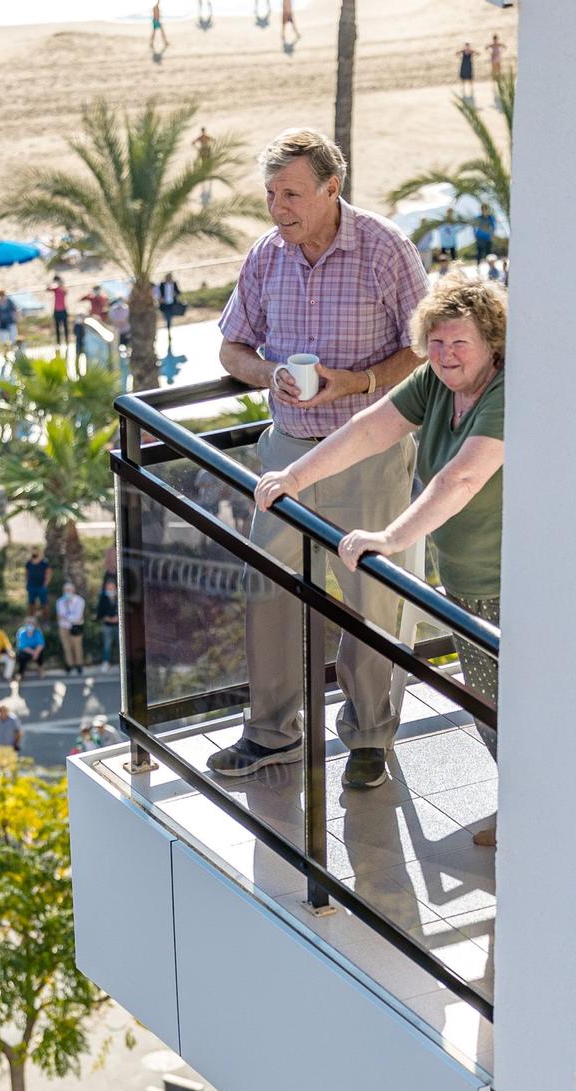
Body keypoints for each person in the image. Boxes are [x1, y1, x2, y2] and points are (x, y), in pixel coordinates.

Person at [214, 127, 428, 787]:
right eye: (272, 193)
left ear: (331, 189)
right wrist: (267, 372)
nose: (278, 207)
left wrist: (356, 382)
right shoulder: (264, 257)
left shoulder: (385, 250)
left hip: (367, 450)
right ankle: (272, 734)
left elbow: (422, 348)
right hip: (285, 454)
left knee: (371, 597)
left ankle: (368, 740)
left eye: (292, 194)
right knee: (268, 590)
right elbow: (231, 349)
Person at [257, 270, 505, 834]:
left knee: (515, 709)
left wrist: (391, 538)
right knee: (488, 706)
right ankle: (522, 806)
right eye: (436, 343)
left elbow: (461, 480)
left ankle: (540, 816)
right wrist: (293, 476)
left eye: (460, 342)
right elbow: (372, 427)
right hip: (467, 579)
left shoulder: (503, 395)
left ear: (491, 342)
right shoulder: (438, 384)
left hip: (509, 581)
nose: (446, 355)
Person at [56, 580, 85, 670]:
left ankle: (79, 665)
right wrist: (71, 617)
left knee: (77, 646)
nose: (67, 592)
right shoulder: (60, 601)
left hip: (76, 627)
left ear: (73, 590)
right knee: (66, 647)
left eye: (69, 590)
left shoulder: (80, 601)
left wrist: (66, 617)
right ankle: (70, 665)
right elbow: (60, 615)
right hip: (63, 627)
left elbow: (77, 617)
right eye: (65, 590)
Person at [0, 701, 21, 772]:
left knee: (12, 767)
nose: (2, 712)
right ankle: (4, 780)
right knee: (2, 765)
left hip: (10, 746)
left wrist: (16, 744)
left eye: (3, 710)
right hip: (0, 745)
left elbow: (19, 732)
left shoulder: (13, 720)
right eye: (0, 711)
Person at [96, 574, 119, 666]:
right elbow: (100, 612)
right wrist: (107, 618)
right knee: (107, 644)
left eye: (112, 587)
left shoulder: (119, 597)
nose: (110, 589)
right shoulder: (103, 598)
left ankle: (121, 662)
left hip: (118, 625)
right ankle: (106, 662)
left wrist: (117, 618)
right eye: (108, 587)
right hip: (108, 625)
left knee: (120, 644)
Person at [48, 273, 70, 351]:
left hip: (63, 310)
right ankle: (58, 343)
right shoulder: (55, 289)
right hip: (56, 311)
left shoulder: (62, 288)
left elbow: (65, 292)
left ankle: (67, 341)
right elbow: (48, 289)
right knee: (57, 328)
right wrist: (53, 284)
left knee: (65, 327)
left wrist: (60, 284)